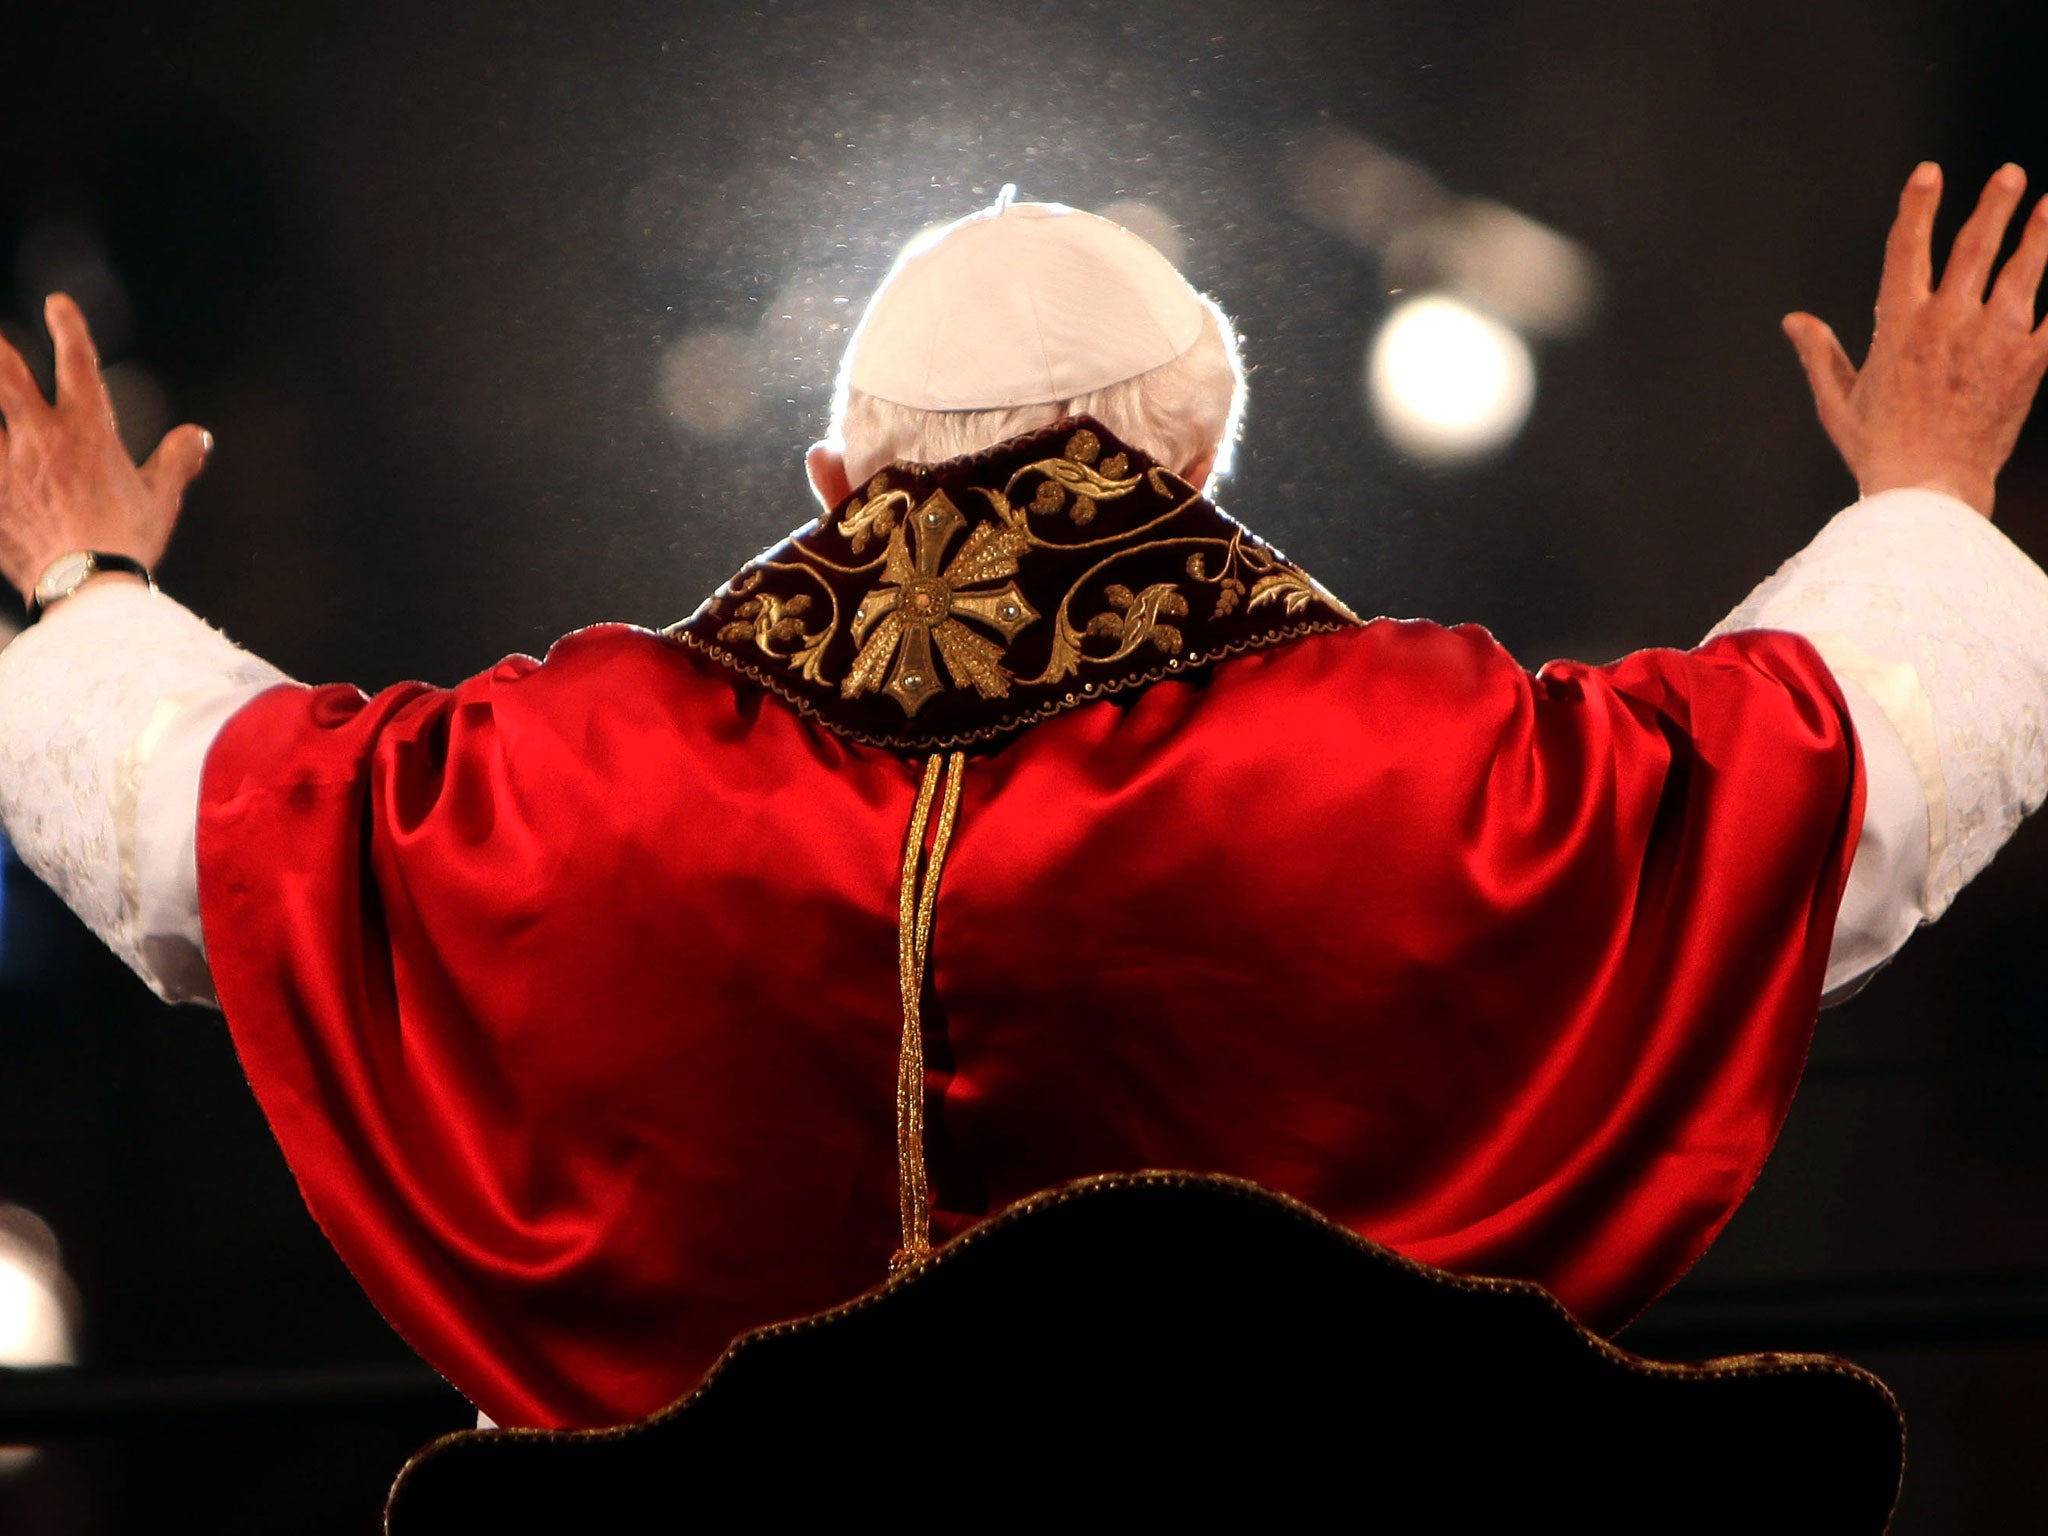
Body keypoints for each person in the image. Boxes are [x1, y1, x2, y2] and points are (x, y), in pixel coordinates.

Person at [0, 165, 2044, 1433]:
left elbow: (223, 826)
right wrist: (1928, 497)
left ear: (833, 489)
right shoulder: (1420, 758)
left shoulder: (574, 776)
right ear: (1199, 473)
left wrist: (89, 586)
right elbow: (1812, 784)